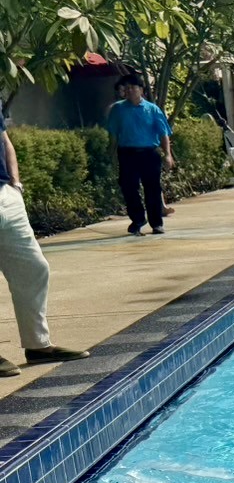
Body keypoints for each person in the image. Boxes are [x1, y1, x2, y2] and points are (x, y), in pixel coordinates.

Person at [0, 110, 90, 377]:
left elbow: (5, 140)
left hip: (7, 195)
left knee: (34, 269)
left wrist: (16, 184)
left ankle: (37, 345)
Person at [106, 74, 174, 235]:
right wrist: (111, 154)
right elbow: (113, 134)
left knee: (152, 188)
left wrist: (168, 154)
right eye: (126, 88)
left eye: (133, 87)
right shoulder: (118, 109)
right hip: (127, 153)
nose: (129, 90)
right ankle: (137, 219)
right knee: (128, 187)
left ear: (141, 90)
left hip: (149, 153)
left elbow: (163, 134)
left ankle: (156, 223)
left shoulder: (152, 109)